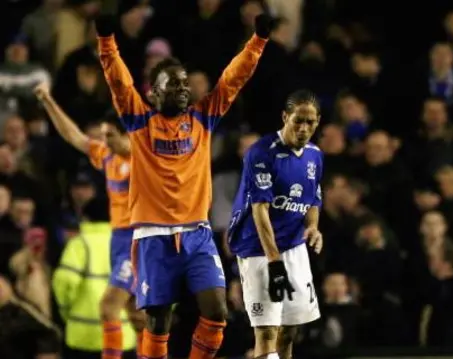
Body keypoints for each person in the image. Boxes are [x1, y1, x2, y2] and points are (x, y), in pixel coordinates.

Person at [95, 12, 273, 359]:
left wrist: (258, 42)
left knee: (217, 310)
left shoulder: (202, 118)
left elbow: (233, 79)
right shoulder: (139, 121)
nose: (182, 89)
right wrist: (106, 41)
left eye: (184, 83)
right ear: (153, 92)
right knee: (158, 321)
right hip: (152, 236)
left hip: (196, 232)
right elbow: (118, 81)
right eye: (173, 84)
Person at [33, 82, 144, 359]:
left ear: (128, 135)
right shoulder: (108, 158)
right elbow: (75, 137)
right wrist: (48, 101)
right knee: (136, 314)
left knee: (109, 306)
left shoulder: (147, 162)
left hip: (137, 239)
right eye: (104, 136)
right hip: (118, 238)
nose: (104, 142)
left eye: (110, 136)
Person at [228, 89, 324, 359]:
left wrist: (313, 227)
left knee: (289, 331)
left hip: (294, 247)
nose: (304, 128)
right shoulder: (261, 153)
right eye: (298, 121)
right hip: (259, 248)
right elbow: (260, 209)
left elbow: (314, 197)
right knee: (266, 332)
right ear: (285, 117)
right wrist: (274, 261)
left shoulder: (315, 156)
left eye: (310, 122)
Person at [52, 198, 137, 359]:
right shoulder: (129, 245)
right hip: (123, 337)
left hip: (83, 337)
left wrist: (66, 311)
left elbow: (64, 282)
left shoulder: (80, 244)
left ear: (85, 218)